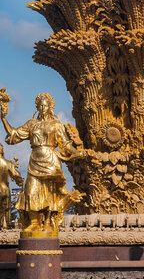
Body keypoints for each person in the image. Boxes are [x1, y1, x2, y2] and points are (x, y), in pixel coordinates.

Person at [1, 93, 83, 232]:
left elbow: (66, 144)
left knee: (51, 192)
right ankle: (34, 221)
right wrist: (3, 117)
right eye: (40, 105)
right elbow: (14, 134)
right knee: (31, 190)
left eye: (45, 105)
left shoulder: (57, 125)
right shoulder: (32, 124)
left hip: (51, 161)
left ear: (51, 106)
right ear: (37, 107)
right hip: (35, 160)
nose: (43, 107)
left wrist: (77, 153)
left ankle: (48, 222)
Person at [0, 144, 23, 228]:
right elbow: (16, 175)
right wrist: (21, 182)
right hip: (5, 189)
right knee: (6, 209)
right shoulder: (7, 163)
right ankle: (5, 226)